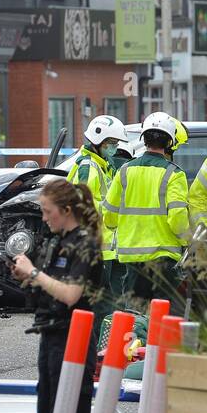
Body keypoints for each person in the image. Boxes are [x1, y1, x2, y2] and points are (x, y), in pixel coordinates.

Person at [9, 178, 105, 413]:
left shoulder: (86, 245)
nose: (44, 217)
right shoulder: (56, 241)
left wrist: (34, 273)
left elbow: (71, 295)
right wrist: (26, 276)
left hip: (74, 338)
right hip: (50, 335)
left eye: (48, 211)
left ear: (66, 211)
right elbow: (48, 286)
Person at [102, 111, 189, 305]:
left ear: (144, 139)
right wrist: (187, 240)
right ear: (169, 142)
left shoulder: (124, 171)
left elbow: (108, 216)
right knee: (160, 320)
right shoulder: (174, 175)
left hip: (131, 259)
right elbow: (177, 220)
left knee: (133, 319)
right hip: (164, 259)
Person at [68, 115, 129, 312]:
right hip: (97, 247)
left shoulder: (102, 166)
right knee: (100, 306)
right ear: (97, 142)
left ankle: (103, 341)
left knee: (107, 304)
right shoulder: (89, 168)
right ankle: (96, 342)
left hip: (106, 247)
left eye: (116, 143)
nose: (115, 147)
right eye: (111, 143)